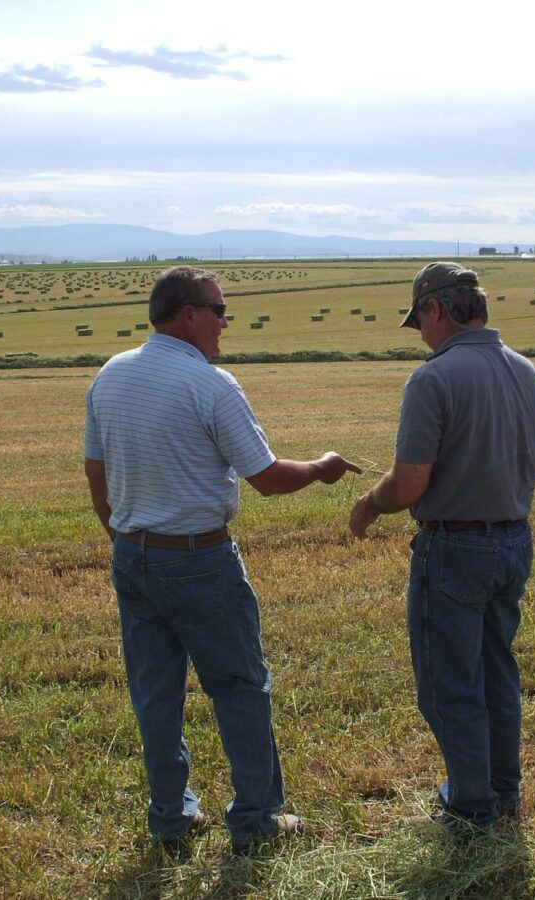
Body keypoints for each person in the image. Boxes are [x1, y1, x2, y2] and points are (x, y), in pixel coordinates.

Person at [84, 266, 361, 853]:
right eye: (219, 311)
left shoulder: (110, 375)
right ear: (188, 314)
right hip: (200, 560)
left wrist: (124, 535)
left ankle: (170, 816)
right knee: (240, 687)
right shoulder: (212, 385)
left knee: (155, 694)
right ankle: (257, 820)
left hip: (132, 557)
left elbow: (95, 470)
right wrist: (321, 467)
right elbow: (267, 478)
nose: (225, 323)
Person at [349, 261, 535, 834]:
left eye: (420, 323)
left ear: (435, 309)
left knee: (449, 685)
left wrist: (370, 503)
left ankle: (469, 806)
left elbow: (410, 482)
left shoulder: (432, 379)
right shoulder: (530, 372)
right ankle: (504, 791)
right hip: (514, 541)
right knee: (496, 672)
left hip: (456, 549)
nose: (422, 336)